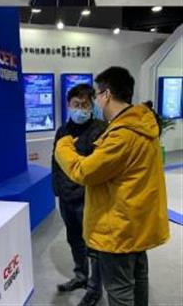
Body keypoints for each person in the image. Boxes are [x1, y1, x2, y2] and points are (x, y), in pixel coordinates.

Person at [55, 67, 170, 306]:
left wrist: (63, 147)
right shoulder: (142, 124)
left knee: (119, 291)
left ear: (106, 95)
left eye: (96, 95)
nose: (96, 101)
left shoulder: (121, 135)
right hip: (136, 223)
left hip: (119, 228)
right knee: (137, 281)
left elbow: (83, 171)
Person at [52, 84, 106, 306]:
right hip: (66, 198)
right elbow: (56, 162)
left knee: (93, 244)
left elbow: (97, 168)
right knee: (74, 239)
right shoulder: (62, 131)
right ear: (68, 105)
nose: (81, 109)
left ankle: (94, 289)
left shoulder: (101, 130)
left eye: (85, 104)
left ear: (92, 106)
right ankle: (81, 276)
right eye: (77, 104)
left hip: (88, 198)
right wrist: (58, 191)